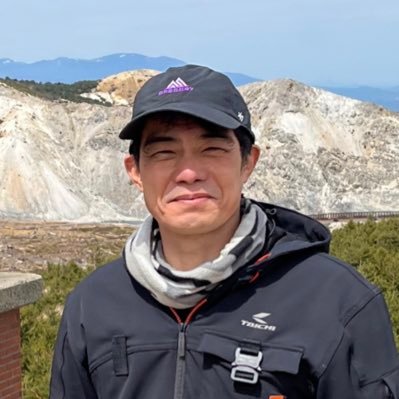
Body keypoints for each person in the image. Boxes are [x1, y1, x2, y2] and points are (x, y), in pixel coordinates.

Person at [50, 64, 399, 399]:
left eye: (212, 148)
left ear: (248, 162)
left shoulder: (337, 301)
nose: (188, 173)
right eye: (164, 152)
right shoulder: (92, 305)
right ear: (135, 171)